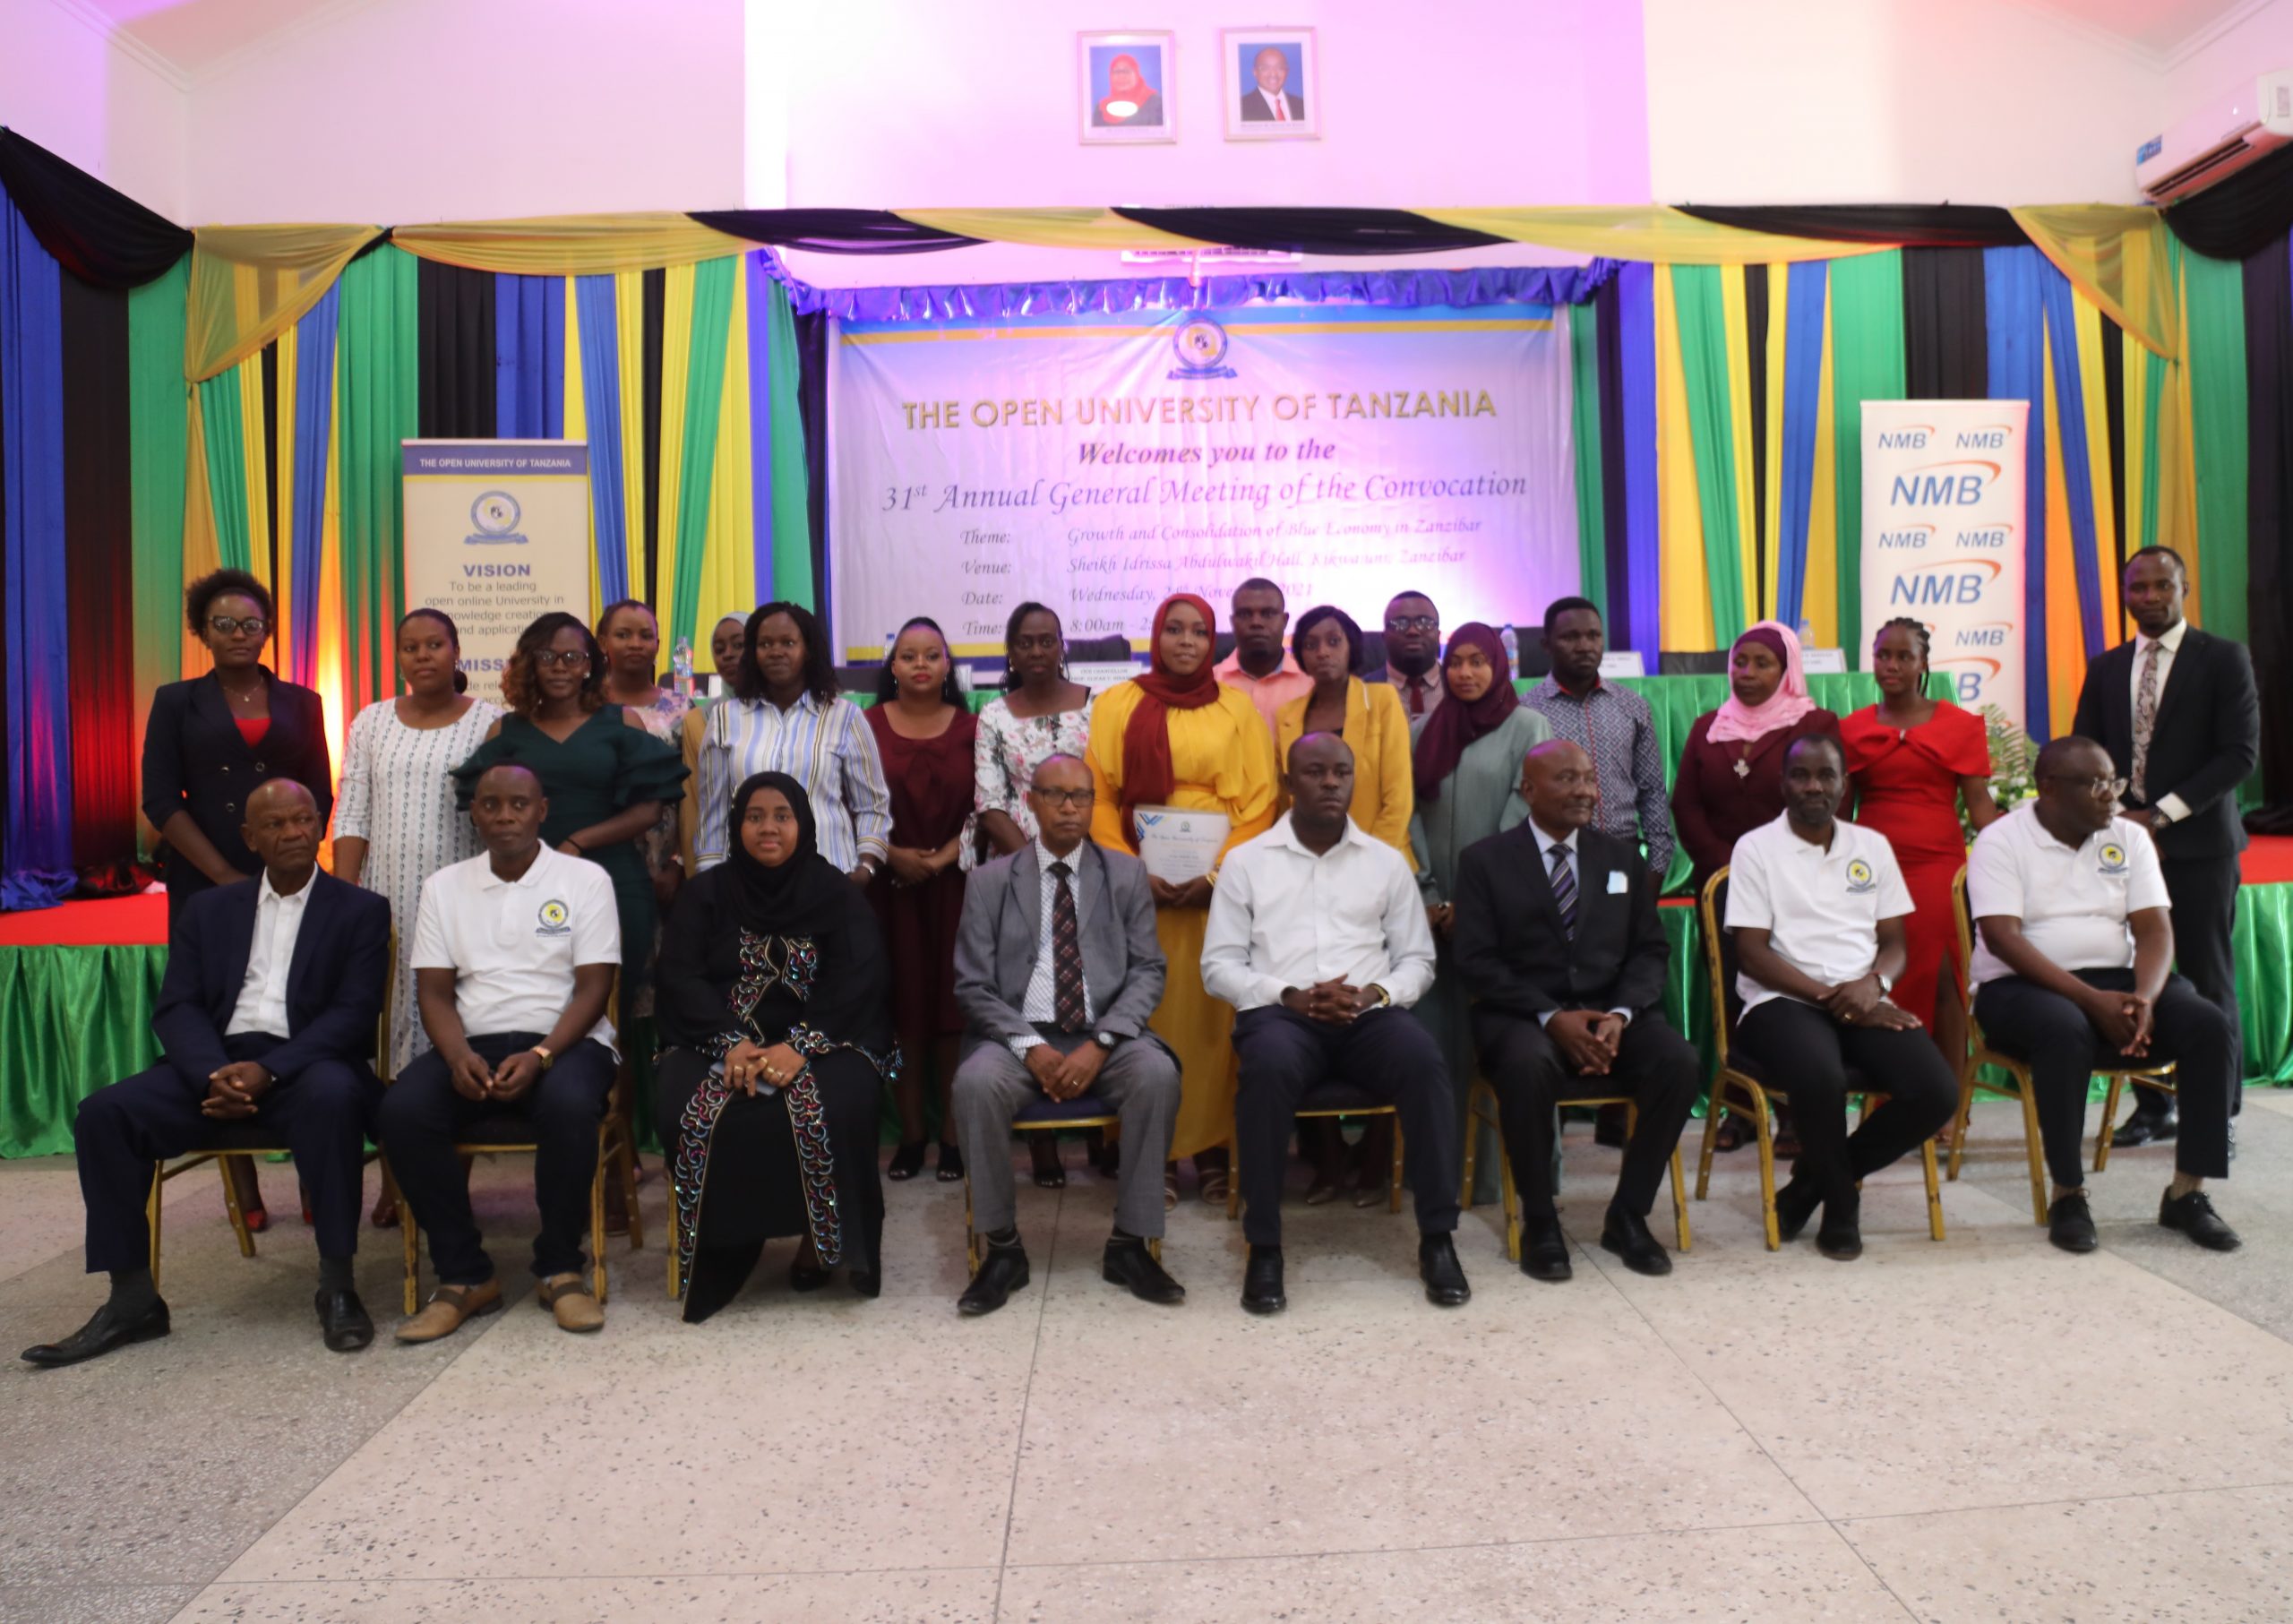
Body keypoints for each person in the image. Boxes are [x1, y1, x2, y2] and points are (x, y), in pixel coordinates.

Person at [21, 781, 389, 1367]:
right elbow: (179, 1005)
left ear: (320, 825)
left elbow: (352, 1014)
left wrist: (268, 1070)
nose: (292, 832)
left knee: (335, 1097)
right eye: (275, 824)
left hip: (309, 1065)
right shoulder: (210, 909)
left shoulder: (361, 910)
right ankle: (133, 1299)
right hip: (215, 1065)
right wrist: (214, 1073)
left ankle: (337, 1283)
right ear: (250, 838)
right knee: (105, 1113)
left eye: (303, 819)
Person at [1204, 734, 1468, 1314]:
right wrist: (1289, 995)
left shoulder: (1386, 862)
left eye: (1341, 772)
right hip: (1282, 1017)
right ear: (1288, 783)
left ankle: (1438, 1239)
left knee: (1424, 1061)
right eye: (1316, 772)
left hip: (1367, 1015)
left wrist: (1377, 991)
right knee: (1267, 1068)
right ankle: (1265, 1246)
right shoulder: (1247, 862)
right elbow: (1218, 967)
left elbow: (1418, 961)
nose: (1330, 782)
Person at [1969, 737, 2242, 1255]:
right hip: (2018, 987)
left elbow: (2156, 930)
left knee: (2208, 1024)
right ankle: (2068, 1195)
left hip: (2118, 980)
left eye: (2113, 783)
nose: (2110, 799)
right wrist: (2091, 1002)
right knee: (2062, 1027)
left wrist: (2143, 996)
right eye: (2096, 785)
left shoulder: (2128, 838)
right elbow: (2004, 938)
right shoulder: (2002, 841)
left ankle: (2187, 1195)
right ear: (2048, 788)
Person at [380, 763, 621, 1341]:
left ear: (542, 810)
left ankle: (561, 1268)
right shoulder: (444, 886)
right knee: (403, 1110)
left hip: (568, 1042)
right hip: (474, 1043)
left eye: (518, 804)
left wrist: (541, 1054)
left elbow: (594, 988)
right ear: (474, 813)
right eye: (491, 805)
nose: (505, 816)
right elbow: (433, 992)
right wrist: (457, 1054)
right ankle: (464, 1276)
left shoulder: (585, 880)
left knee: (567, 1105)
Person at [1451, 742, 1701, 1282]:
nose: (1586, 790)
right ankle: (1540, 1221)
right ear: (1529, 791)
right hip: (1520, 1018)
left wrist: (1621, 1014)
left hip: (1610, 1016)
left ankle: (1628, 1215)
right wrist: (1550, 1016)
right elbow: (1476, 961)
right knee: (1527, 1065)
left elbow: (1649, 950)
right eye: (1567, 779)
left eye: (1589, 779)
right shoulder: (1484, 861)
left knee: (1678, 1062)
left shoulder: (1619, 858)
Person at [653, 774, 897, 1319]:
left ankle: (821, 1238)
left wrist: (801, 1045)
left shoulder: (835, 893)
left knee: (837, 1103)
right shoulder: (706, 893)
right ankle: (721, 1248)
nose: (768, 828)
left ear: (802, 825)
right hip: (714, 1038)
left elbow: (859, 978)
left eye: (781, 816)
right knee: (688, 1110)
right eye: (754, 816)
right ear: (737, 825)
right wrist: (730, 1043)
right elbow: (681, 976)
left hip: (824, 1038)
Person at [949, 755, 1185, 1316]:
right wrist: (1029, 1047)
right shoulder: (988, 883)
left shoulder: (1124, 874)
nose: (1069, 807)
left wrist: (1100, 1044)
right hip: (1016, 1036)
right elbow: (973, 985)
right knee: (975, 1085)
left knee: (1157, 1074)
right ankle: (1002, 1250)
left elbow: (1149, 970)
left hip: (1106, 1036)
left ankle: (1130, 1244)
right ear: (1030, 802)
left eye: (1081, 796)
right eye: (1055, 795)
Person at [140, 568, 334, 1230]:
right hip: (205, 880)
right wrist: (224, 873)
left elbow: (319, 792)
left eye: (252, 624)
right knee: (222, 1012)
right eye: (224, 624)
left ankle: (317, 1168)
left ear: (267, 631)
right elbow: (161, 799)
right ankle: (243, 1184)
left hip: (290, 875)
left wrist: (294, 855)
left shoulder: (303, 701)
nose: (239, 635)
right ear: (201, 632)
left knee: (296, 1006)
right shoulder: (175, 702)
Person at [1724, 735, 1960, 1260]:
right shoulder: (1756, 848)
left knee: (1936, 1090)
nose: (1814, 786)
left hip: (1863, 996)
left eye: (1826, 775)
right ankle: (1841, 1207)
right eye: (1801, 775)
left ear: (1844, 783)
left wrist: (1873, 986)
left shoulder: (1870, 846)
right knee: (1820, 1075)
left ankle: (1811, 1183)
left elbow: (1895, 942)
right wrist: (1835, 995)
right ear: (1782, 783)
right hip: (1780, 999)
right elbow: (1752, 952)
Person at [1086, 592, 1278, 1206]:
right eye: (1175, 629)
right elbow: (1097, 796)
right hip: (1139, 889)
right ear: (1156, 634)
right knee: (1146, 1014)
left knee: (1215, 1020)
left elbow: (1259, 805)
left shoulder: (1237, 708)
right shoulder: (1118, 704)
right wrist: (1130, 871)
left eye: (1199, 630)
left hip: (1215, 895)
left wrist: (1216, 876)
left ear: (1212, 639)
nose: (1187, 641)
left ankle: (1215, 1147)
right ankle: (1155, 1153)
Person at [2071, 546, 2261, 1150]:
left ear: (2185, 587)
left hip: (2200, 846)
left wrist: (2160, 814)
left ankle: (2215, 1115)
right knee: (2132, 978)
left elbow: (2239, 754)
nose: (2149, 597)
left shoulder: (2224, 658)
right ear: (2124, 593)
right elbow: (2085, 749)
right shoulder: (2106, 666)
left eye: (2162, 585)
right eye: (2137, 587)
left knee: (2206, 980)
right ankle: (2151, 1104)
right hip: (2119, 851)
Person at [1409, 623, 1550, 1202]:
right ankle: (1437, 1175)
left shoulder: (1528, 727)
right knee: (1437, 1047)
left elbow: (1524, 813)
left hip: (1499, 914)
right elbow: (1408, 815)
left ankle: (1498, 1180)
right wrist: (1432, 896)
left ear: (1500, 665)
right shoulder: (1422, 728)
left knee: (1502, 1048)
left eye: (1478, 661)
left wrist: (1473, 901)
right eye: (1456, 662)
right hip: (1432, 913)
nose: (1465, 673)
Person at [333, 608, 502, 1079]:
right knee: (389, 997)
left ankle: (455, 1098)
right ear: (399, 657)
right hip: (384, 896)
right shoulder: (371, 721)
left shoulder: (492, 721)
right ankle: (395, 1111)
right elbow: (352, 811)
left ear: (456, 652)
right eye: (411, 648)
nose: (423, 655)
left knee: (456, 995)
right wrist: (343, 898)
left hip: (463, 894)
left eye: (435, 645)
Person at [1841, 617, 1998, 1079]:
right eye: (1883, 655)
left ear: (1923, 663)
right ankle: (1889, 1093)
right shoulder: (1852, 729)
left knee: (1942, 980)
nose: (1891, 665)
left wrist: (2032, 844)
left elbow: (1980, 808)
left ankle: (1947, 1099)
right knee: (1878, 976)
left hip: (1936, 868)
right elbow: (1839, 815)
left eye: (1904, 656)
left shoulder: (1959, 725)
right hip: (1868, 870)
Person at [867, 616, 978, 1182]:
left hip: (957, 887)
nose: (919, 665)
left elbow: (988, 808)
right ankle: (912, 1137)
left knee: (953, 1016)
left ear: (947, 666)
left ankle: (953, 1140)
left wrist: (935, 860)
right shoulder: (863, 727)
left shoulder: (973, 729)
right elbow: (847, 806)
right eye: (908, 655)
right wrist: (892, 854)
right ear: (892, 666)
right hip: (888, 890)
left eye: (931, 655)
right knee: (904, 1015)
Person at [692, 601, 892, 887]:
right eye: (765, 644)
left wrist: (865, 867)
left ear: (808, 650)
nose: (776, 652)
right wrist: (711, 878)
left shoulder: (844, 716)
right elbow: (713, 811)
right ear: (753, 653)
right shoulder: (726, 718)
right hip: (747, 884)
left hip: (829, 877)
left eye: (788, 642)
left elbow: (873, 804)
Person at [1672, 621, 1841, 896]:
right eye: (1739, 662)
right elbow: (1686, 804)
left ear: (1787, 672)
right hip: (1721, 878)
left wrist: (1790, 859)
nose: (1746, 673)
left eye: (1762, 664)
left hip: (1797, 876)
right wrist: (1722, 860)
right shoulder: (1708, 727)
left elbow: (1835, 801)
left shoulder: (1815, 725)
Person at [1524, 597, 1675, 884]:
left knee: (1619, 930)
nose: (1584, 646)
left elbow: (1652, 792)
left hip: (1620, 858)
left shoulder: (1632, 706)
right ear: (1546, 645)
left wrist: (1656, 867)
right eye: (1570, 637)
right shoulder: (1526, 711)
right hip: (1551, 863)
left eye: (1593, 635)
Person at [1274, 605, 1413, 859]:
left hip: (1379, 856)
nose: (1323, 652)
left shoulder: (1382, 700)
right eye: (1311, 645)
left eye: (1334, 642)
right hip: (1308, 858)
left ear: (1352, 647)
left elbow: (1398, 797)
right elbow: (1286, 799)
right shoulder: (1287, 715)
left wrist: (1369, 861)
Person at [976, 602, 1095, 860]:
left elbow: (1107, 793)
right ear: (1011, 653)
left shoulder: (1095, 705)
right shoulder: (994, 715)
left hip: (1089, 854)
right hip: (1017, 855)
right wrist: (1037, 865)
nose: (1037, 651)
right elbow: (989, 804)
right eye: (1025, 643)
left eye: (1047, 641)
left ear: (1062, 646)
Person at [1213, 577, 1312, 734]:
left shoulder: (1311, 683)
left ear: (1285, 620)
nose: (1256, 622)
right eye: (1245, 614)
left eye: (1268, 614)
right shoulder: (1211, 683)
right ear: (1232, 622)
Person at [1381, 590, 1446, 737]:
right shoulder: (1363, 689)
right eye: (1400, 624)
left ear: (1438, 635)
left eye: (1424, 622)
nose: (1413, 631)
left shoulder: (1460, 686)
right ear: (1384, 637)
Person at [1094, 51, 1164, 126]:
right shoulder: (1101, 109)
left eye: (1127, 71)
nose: (1121, 76)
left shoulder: (1156, 104)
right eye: (1116, 71)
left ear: (1137, 74)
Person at [1238, 44, 1305, 122]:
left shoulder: (1302, 105)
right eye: (1265, 68)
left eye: (1280, 68)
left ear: (1287, 71)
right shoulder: (1242, 107)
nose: (1273, 74)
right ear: (1255, 72)